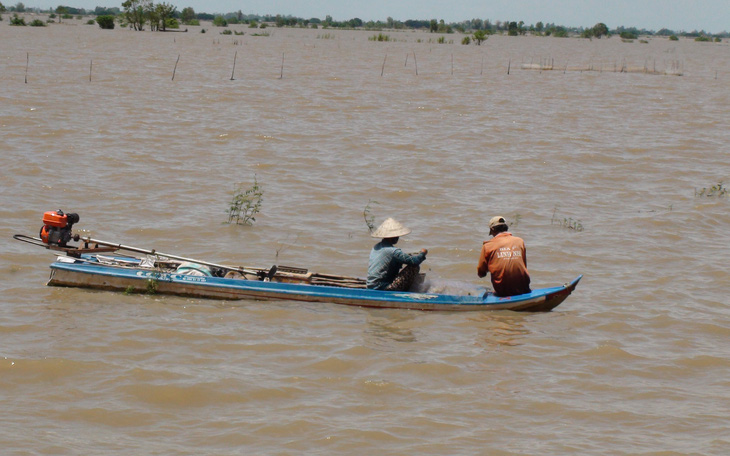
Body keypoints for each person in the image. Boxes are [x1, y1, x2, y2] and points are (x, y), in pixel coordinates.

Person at [367, 218, 428, 291]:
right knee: (414, 267)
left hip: (371, 285)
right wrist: (423, 253)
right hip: (382, 287)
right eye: (396, 236)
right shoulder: (393, 251)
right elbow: (415, 261)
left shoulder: (376, 247)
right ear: (392, 237)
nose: (398, 238)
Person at [477, 216, 531, 297]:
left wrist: (486, 270)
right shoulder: (520, 241)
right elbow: (524, 265)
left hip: (503, 291)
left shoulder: (488, 245)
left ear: (492, 229)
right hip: (524, 288)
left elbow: (481, 272)